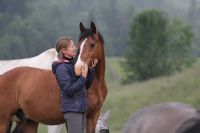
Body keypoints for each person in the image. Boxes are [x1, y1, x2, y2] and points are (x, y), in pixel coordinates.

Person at [51, 37, 97, 133]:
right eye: (72, 46)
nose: (75, 48)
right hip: (72, 110)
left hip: (81, 109)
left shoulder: (74, 65)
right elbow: (69, 90)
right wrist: (83, 78)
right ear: (64, 50)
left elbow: (85, 85)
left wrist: (91, 70)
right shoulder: (61, 68)